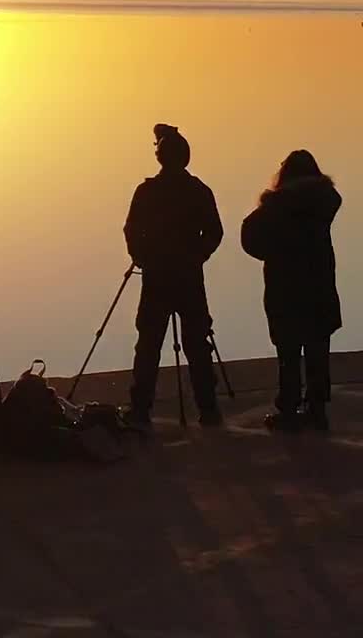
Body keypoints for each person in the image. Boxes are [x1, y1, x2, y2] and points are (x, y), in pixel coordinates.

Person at [123, 124, 223, 428]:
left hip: (157, 277)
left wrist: (141, 256)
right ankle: (208, 409)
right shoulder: (198, 190)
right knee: (197, 342)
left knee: (149, 343)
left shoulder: (148, 191)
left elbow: (131, 229)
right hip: (189, 277)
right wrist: (197, 255)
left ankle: (140, 410)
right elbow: (215, 232)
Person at [241, 150, 341, 432]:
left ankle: (288, 407)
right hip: (319, 287)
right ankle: (317, 409)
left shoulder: (276, 207)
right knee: (318, 350)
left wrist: (269, 251)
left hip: (285, 289)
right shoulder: (325, 204)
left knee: (288, 352)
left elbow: (249, 235)